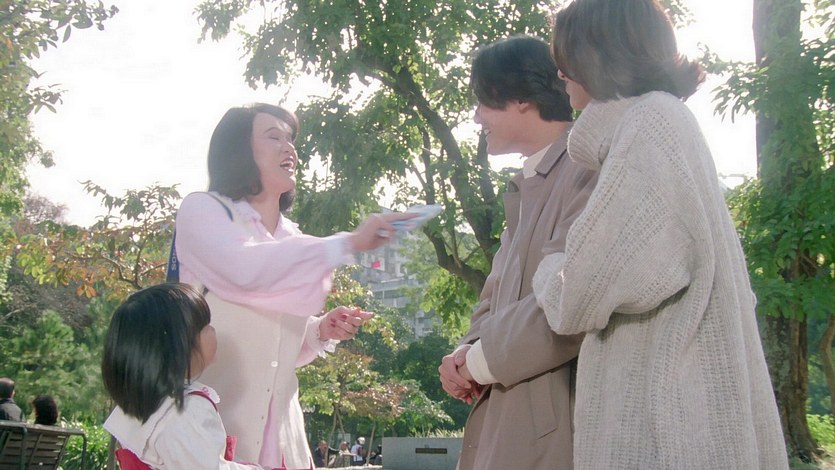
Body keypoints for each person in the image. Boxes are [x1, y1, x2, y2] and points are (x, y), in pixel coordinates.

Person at [532, 1, 789, 468]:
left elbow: (577, 297)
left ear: (599, 55)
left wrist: (548, 268)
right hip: (686, 417)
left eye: (567, 58)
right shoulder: (660, 122)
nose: (560, 73)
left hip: (666, 429)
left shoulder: (647, 128)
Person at [175, 103, 410, 469]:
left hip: (284, 445)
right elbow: (246, 269)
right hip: (211, 437)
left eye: (291, 140)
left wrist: (319, 330)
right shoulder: (203, 210)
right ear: (239, 149)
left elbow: (275, 352)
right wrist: (348, 242)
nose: (290, 149)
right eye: (274, 137)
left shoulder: (294, 238)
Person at [437, 35, 598, 470]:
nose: (476, 117)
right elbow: (493, 297)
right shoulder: (528, 185)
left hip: (558, 429)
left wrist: (477, 362)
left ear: (521, 98)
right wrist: (464, 352)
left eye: (483, 102)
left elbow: (570, 302)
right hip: (508, 419)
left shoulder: (588, 168)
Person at [102, 283, 264, 469]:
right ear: (176, 348)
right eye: (205, 326)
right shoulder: (186, 411)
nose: (213, 330)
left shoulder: (143, 404)